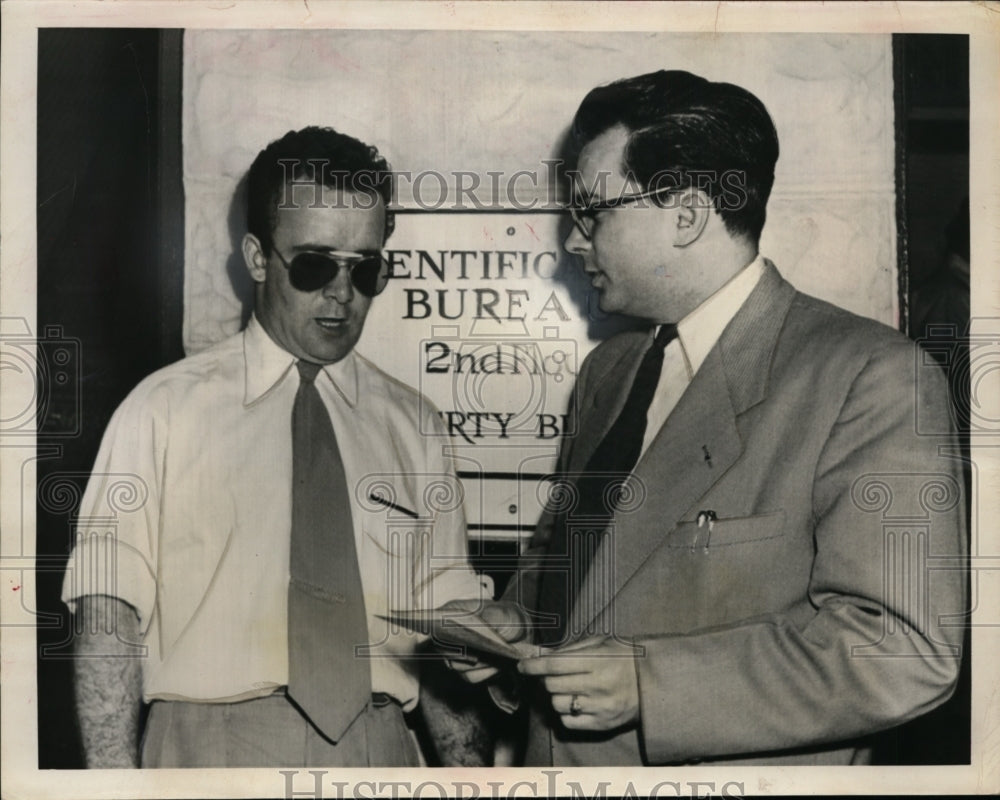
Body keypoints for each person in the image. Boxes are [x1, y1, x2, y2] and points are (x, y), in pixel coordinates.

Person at [449, 70, 967, 766]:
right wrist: (516, 624)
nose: (574, 241)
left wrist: (651, 685)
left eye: (594, 212)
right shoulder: (610, 373)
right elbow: (574, 572)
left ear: (687, 215)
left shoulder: (870, 378)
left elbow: (903, 650)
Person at [62, 126, 490, 768]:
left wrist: (468, 778)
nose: (341, 295)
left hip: (378, 751)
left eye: (365, 269)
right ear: (259, 258)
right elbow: (107, 619)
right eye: (315, 264)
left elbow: (448, 637)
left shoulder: (416, 426)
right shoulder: (162, 410)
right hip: (207, 752)